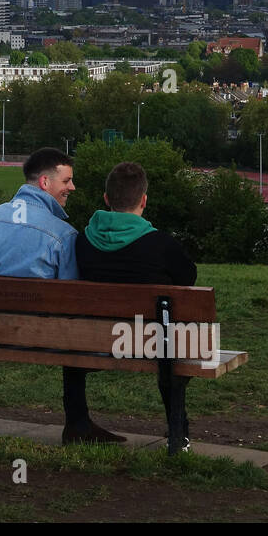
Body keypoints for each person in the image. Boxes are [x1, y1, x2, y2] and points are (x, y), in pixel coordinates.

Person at [0, 148, 124, 445]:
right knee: (75, 331)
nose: (72, 187)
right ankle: (78, 423)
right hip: (43, 336)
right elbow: (71, 303)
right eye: (67, 180)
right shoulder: (64, 234)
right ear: (44, 183)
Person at [74, 161, 198, 451]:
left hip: (88, 339)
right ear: (144, 200)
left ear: (106, 199)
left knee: (75, 332)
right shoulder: (161, 245)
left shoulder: (83, 241)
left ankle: (76, 421)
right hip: (152, 343)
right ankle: (178, 432)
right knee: (174, 344)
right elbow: (188, 278)